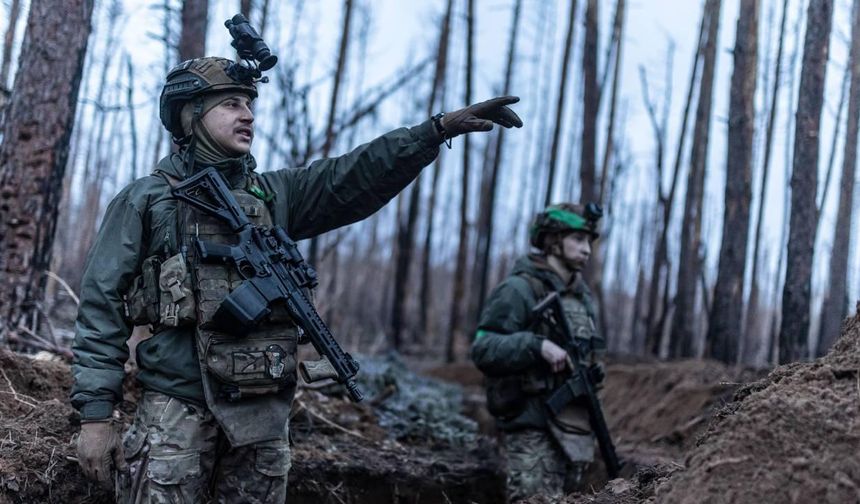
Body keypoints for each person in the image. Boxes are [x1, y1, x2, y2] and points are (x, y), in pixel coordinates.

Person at [70, 54, 521, 502]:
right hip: (175, 413)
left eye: (250, 104)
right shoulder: (148, 200)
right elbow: (101, 306)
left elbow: (352, 176)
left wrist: (434, 131)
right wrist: (95, 417)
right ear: (191, 115)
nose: (248, 115)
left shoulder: (272, 194)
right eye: (231, 104)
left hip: (263, 417)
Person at [471, 203, 606, 502]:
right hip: (532, 428)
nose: (587, 249)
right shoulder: (519, 289)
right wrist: (536, 346)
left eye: (589, 241)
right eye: (578, 239)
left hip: (575, 431)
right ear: (553, 240)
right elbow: (483, 347)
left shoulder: (582, 298)